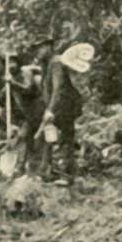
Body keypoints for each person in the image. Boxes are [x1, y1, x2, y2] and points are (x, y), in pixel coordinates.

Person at [39, 41, 94, 184]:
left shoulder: (56, 62)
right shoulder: (47, 64)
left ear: (48, 47)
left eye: (41, 47)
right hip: (58, 107)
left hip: (64, 107)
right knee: (49, 137)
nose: (38, 52)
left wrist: (51, 109)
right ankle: (46, 171)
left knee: (65, 139)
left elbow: (59, 88)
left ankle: (67, 176)